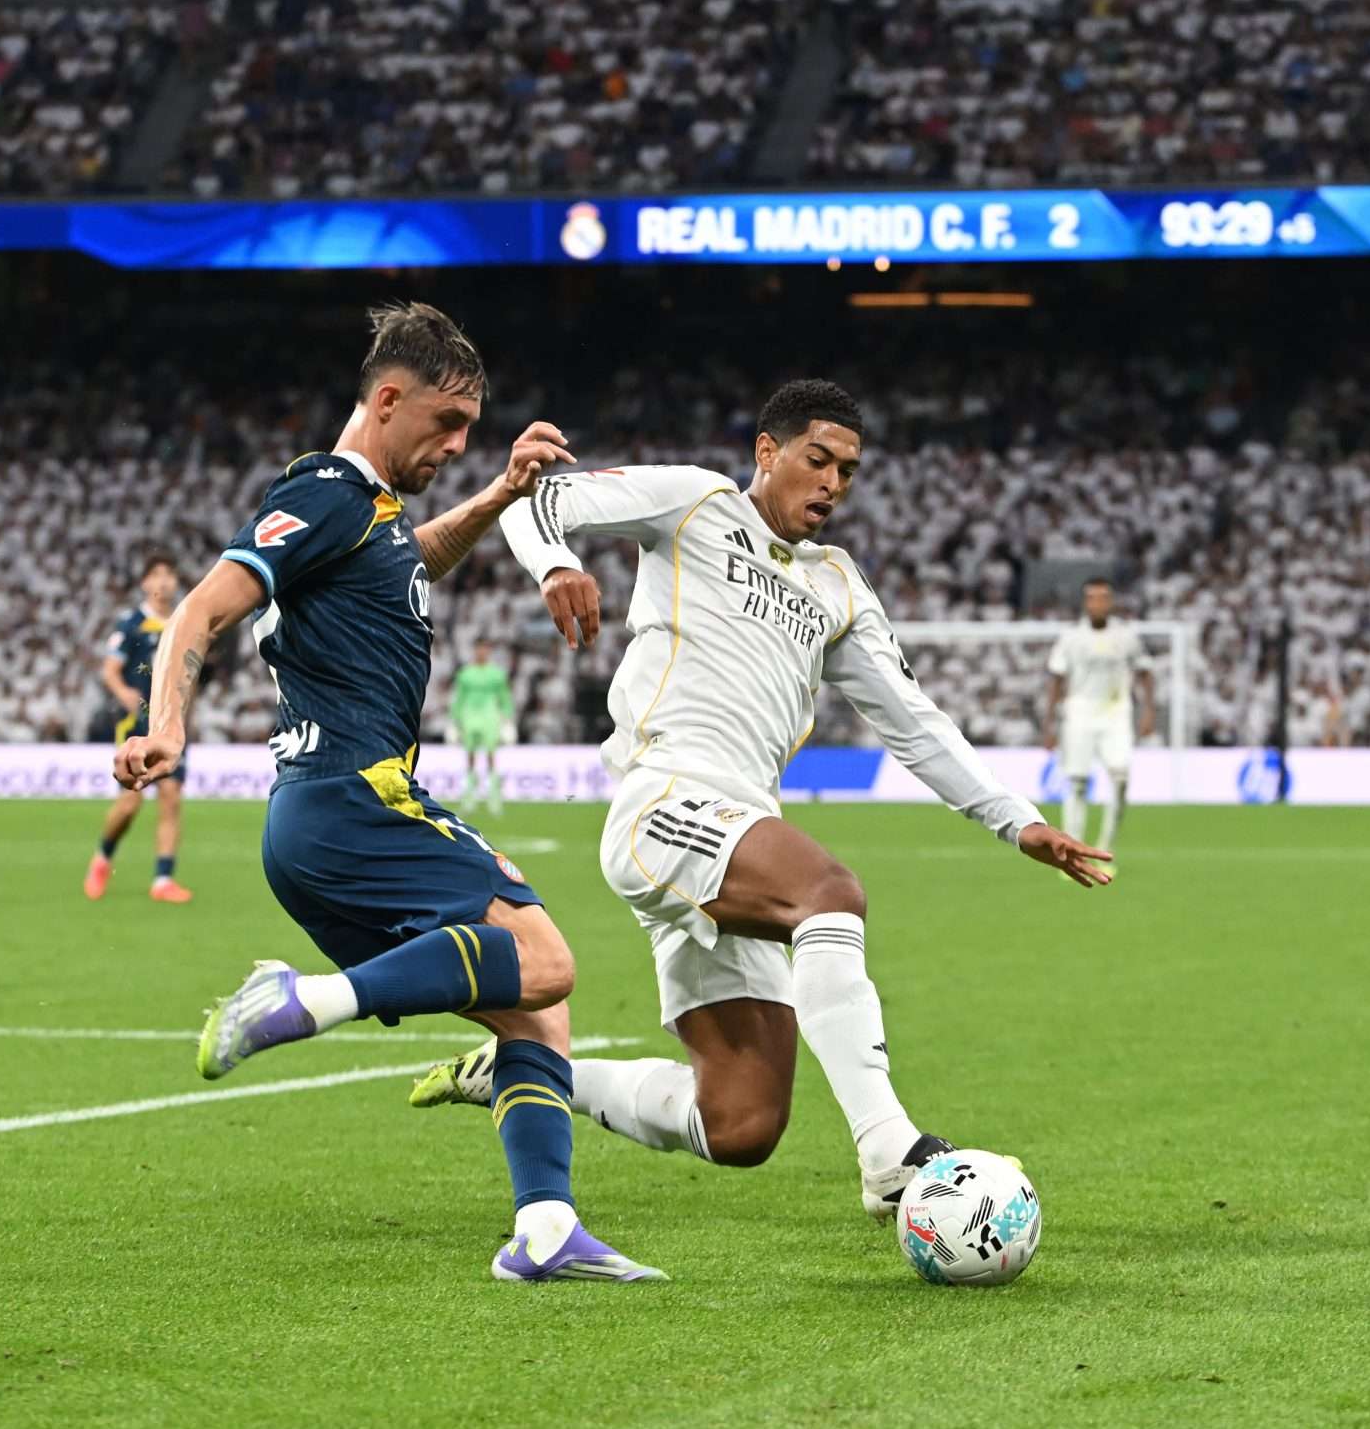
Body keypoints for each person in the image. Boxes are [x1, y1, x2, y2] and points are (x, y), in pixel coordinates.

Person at [414, 379, 1112, 1222]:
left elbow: (913, 722)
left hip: (739, 831)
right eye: (818, 460)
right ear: (767, 452)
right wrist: (556, 562)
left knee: (740, 1123)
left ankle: (521, 1072)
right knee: (830, 894)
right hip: (665, 798)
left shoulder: (840, 587)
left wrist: (1019, 821)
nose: (833, 485)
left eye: (849, 472)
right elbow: (539, 499)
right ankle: (890, 1150)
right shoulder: (695, 503)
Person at [115, 302, 661, 1283]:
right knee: (545, 960)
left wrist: (499, 493)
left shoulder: (370, 517)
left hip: (322, 824)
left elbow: (411, 562)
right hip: (352, 799)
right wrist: (167, 723)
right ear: (387, 398)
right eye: (446, 426)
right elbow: (204, 605)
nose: (457, 445)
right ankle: (301, 998)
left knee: (533, 1017)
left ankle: (543, 1229)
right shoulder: (326, 490)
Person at [84, 554, 192, 903]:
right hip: (138, 723)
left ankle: (162, 880)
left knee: (171, 798)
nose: (163, 582)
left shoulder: (185, 620)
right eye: (156, 575)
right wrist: (123, 692)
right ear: (145, 583)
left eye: (169, 575)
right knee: (130, 803)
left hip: (171, 723)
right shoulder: (131, 624)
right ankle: (102, 857)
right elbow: (110, 670)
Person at [1044, 577, 1139, 854]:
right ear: (1086, 602)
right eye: (1093, 598)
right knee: (1077, 782)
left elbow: (1144, 671)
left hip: (1116, 714)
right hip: (1080, 713)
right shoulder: (1071, 637)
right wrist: (1049, 723)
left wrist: (1147, 713)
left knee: (1121, 780)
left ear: (1110, 601)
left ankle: (1105, 847)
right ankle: (1072, 850)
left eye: (1104, 597)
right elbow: (1056, 679)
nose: (1098, 603)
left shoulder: (1126, 636)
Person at [447, 640, 515, 813]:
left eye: (485, 649)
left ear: (489, 651)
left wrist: (508, 718)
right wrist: (453, 720)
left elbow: (504, 697)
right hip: (469, 716)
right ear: (475, 650)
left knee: (491, 754)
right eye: (479, 649)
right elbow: (459, 697)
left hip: (490, 716)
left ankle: (494, 796)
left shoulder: (496, 674)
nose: (481, 652)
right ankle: (469, 797)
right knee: (470, 755)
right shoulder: (465, 673)